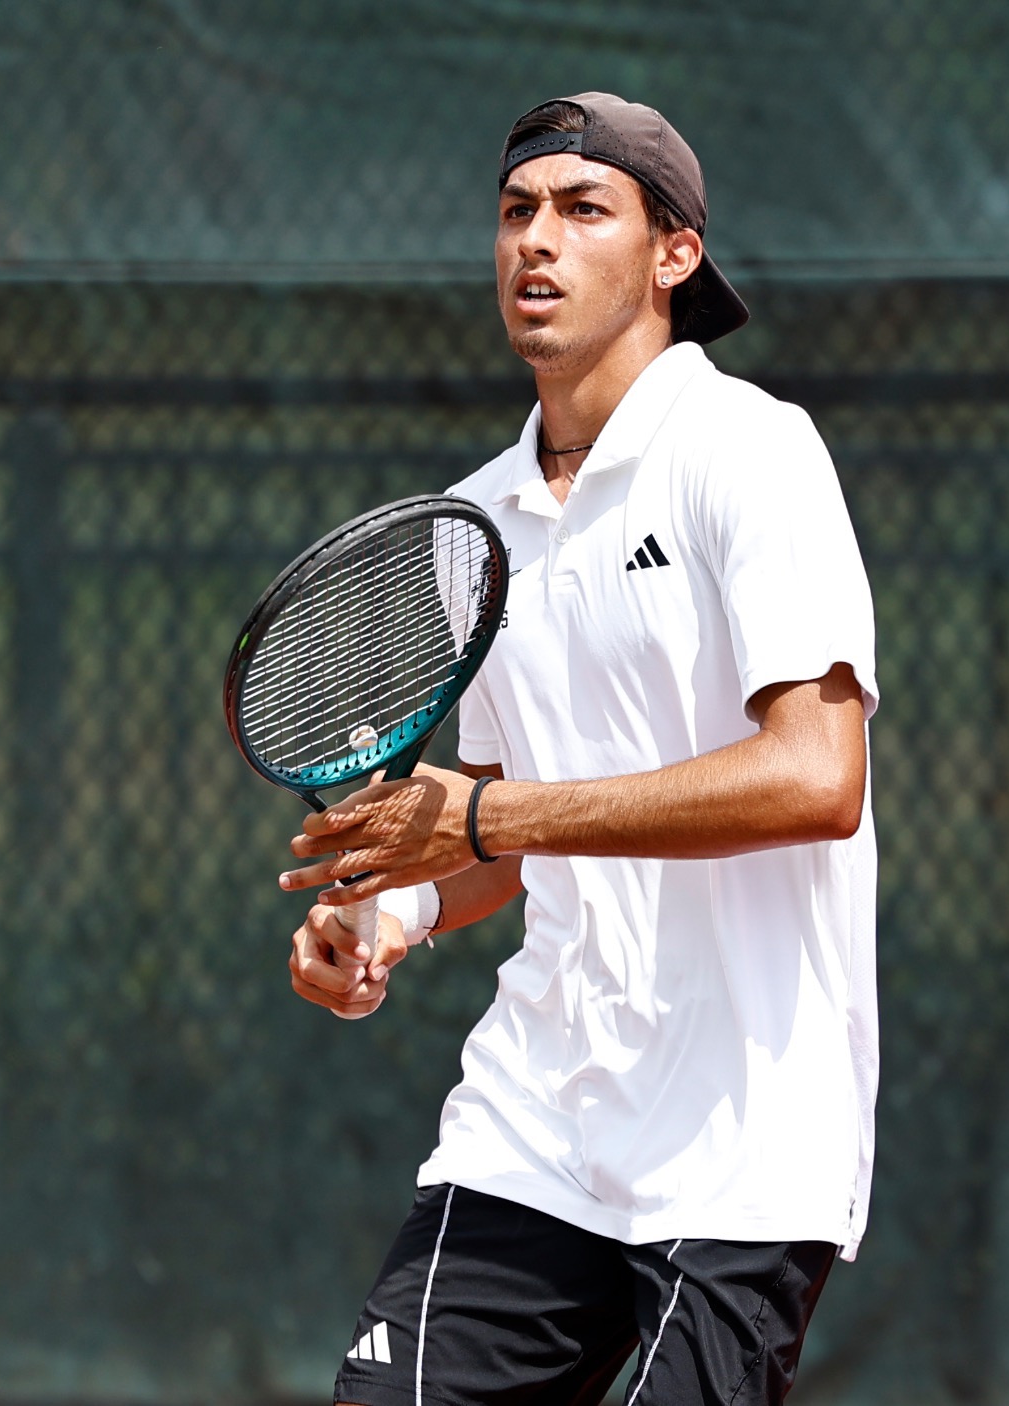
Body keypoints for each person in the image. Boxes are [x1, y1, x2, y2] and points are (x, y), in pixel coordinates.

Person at [276, 92, 879, 1406]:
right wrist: (400, 910)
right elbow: (498, 813)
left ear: (674, 255)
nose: (534, 241)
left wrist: (486, 825)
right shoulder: (477, 523)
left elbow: (817, 776)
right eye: (514, 212)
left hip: (746, 1147)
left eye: (581, 208)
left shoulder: (753, 457)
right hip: (536, 1125)